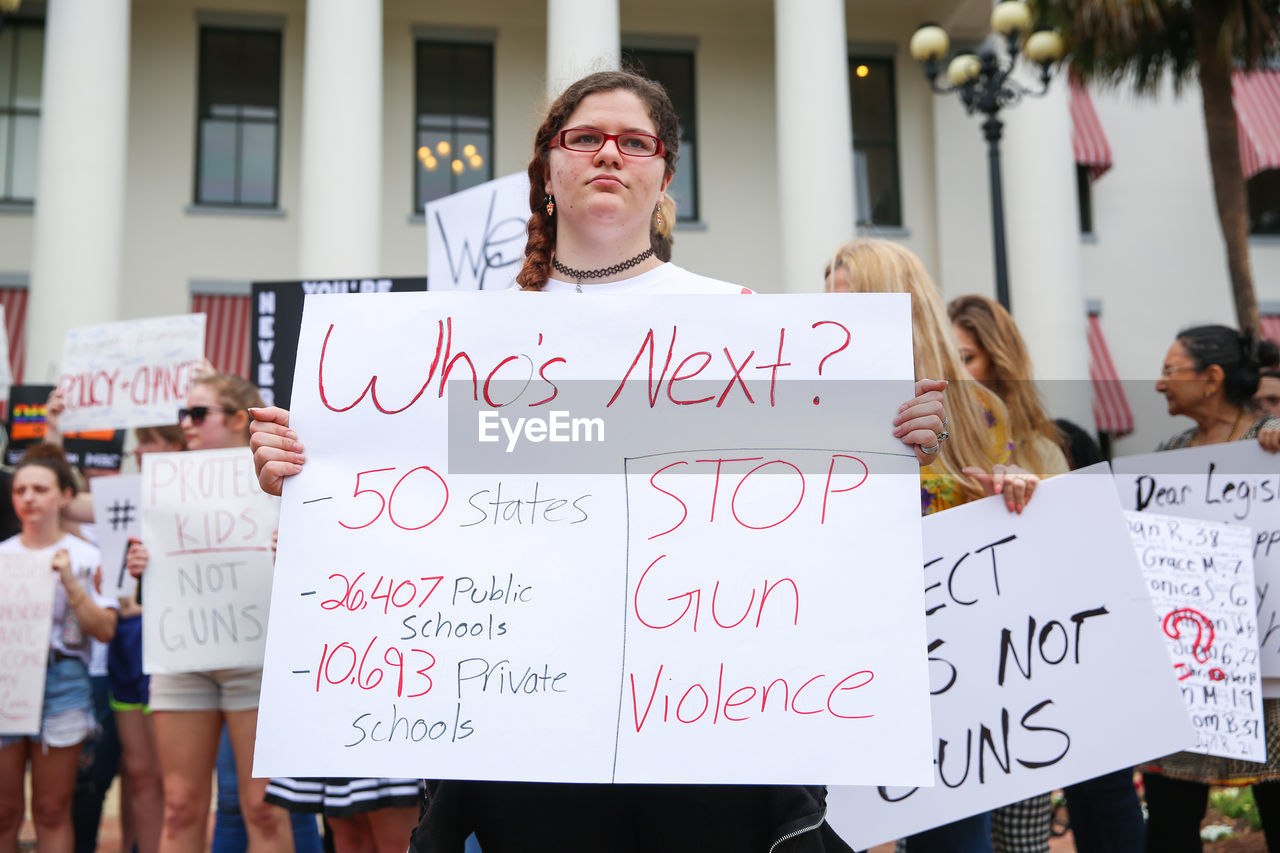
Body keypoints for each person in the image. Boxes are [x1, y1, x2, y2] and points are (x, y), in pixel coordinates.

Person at [250, 69, 957, 852]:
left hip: (707, 715)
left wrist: (897, 441)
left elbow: (803, 507)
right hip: (530, 722)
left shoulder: (740, 321)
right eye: (584, 138)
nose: (608, 155)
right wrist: (312, 484)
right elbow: (414, 509)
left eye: (634, 142)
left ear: (663, 175)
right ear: (548, 169)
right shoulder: (466, 339)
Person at [825, 239, 1037, 853]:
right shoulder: (814, 399)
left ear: (899, 307)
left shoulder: (978, 410)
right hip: (847, 643)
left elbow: (998, 520)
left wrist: (1015, 490)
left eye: (851, 303)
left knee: (953, 826)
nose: (834, 320)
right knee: (843, 824)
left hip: (950, 646)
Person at [947, 293, 1142, 853]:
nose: (955, 374)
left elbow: (1083, 555)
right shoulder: (933, 450)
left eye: (967, 358)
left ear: (999, 361)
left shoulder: (1053, 445)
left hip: (1047, 655)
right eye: (946, 359)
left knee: (1065, 806)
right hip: (963, 666)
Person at [129, 373, 295, 853]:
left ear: (240, 419)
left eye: (198, 413)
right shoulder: (162, 482)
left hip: (257, 657)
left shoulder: (283, 471)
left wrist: (296, 547)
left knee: (263, 808)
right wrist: (140, 563)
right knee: (180, 806)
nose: (187, 423)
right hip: (181, 657)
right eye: (183, 414)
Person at [1143, 324, 1280, 852]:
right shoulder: (1169, 453)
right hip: (1191, 670)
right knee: (1171, 820)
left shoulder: (1269, 442)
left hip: (1266, 679)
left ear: (1212, 379)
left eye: (1170, 370)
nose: (1159, 383)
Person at [0, 452, 118, 853]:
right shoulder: (3, 555)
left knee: (52, 808)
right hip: (8, 681)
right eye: (20, 490)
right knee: (3, 809)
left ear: (65, 495)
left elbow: (104, 630)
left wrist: (70, 583)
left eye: (40, 489)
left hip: (63, 681)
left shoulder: (86, 558)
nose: (29, 498)